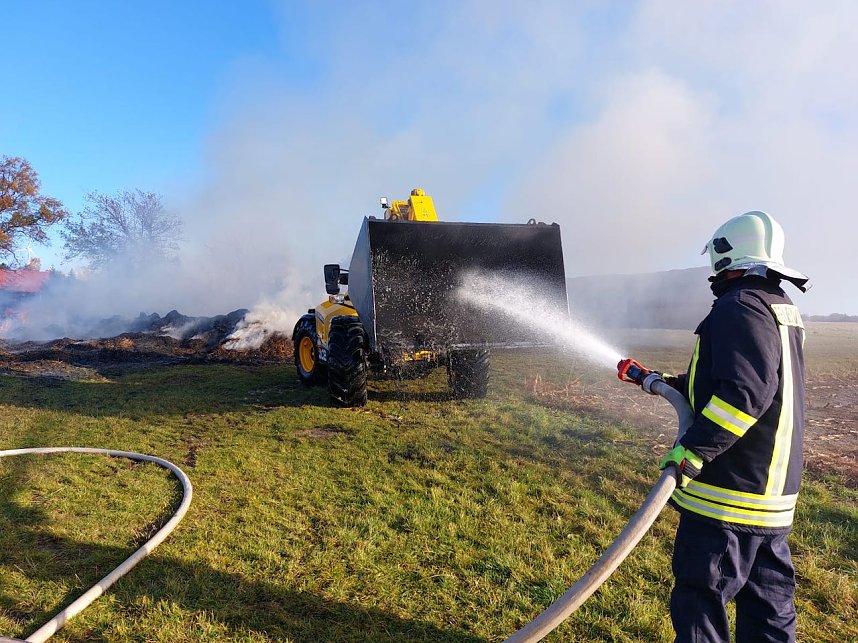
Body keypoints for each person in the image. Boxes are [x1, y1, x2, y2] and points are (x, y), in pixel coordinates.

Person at [650, 211, 808, 642]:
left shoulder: (738, 306)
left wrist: (694, 450)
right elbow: (749, 381)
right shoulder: (776, 305)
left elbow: (745, 395)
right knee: (767, 614)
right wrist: (668, 384)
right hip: (768, 498)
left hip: (727, 498)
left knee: (702, 599)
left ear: (728, 255)